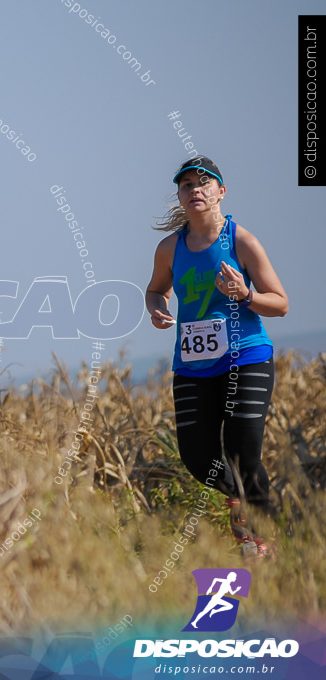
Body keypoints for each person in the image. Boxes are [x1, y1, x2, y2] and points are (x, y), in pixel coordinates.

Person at [145, 158, 288, 558]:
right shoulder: (169, 248)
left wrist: (245, 295)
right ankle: (244, 501)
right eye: (186, 185)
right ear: (180, 195)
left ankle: (266, 537)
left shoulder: (241, 241)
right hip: (192, 365)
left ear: (221, 192)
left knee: (243, 450)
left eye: (204, 184)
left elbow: (280, 304)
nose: (195, 190)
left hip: (246, 357)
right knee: (197, 457)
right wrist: (156, 307)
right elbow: (156, 289)